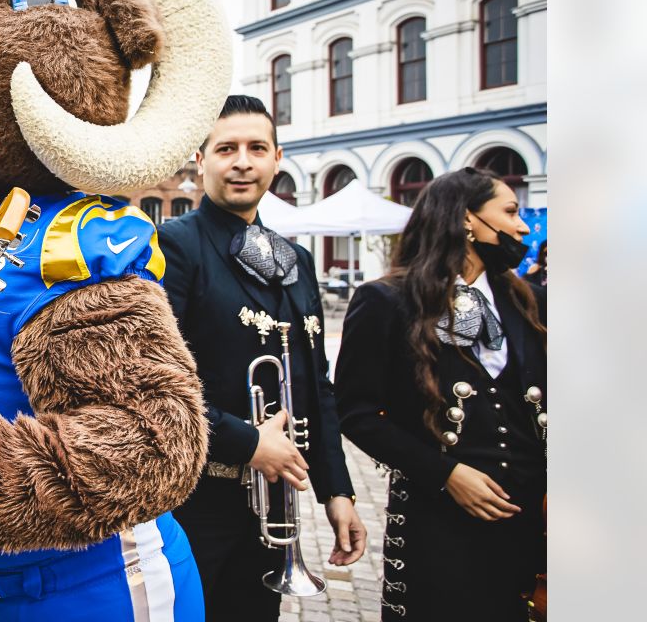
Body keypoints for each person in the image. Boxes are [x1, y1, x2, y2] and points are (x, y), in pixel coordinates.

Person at [158, 95, 366, 620]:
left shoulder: (294, 258)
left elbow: (315, 384)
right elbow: (155, 382)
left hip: (273, 505)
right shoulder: (172, 246)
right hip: (194, 501)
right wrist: (248, 442)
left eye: (257, 148)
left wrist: (337, 491)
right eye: (226, 148)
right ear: (201, 161)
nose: (243, 161)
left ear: (278, 158)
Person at [334, 167, 546, 621]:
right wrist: (446, 474)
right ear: (467, 220)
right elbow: (357, 413)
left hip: (530, 519)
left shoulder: (530, 298)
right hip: (440, 522)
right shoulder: (387, 301)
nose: (522, 226)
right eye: (509, 211)